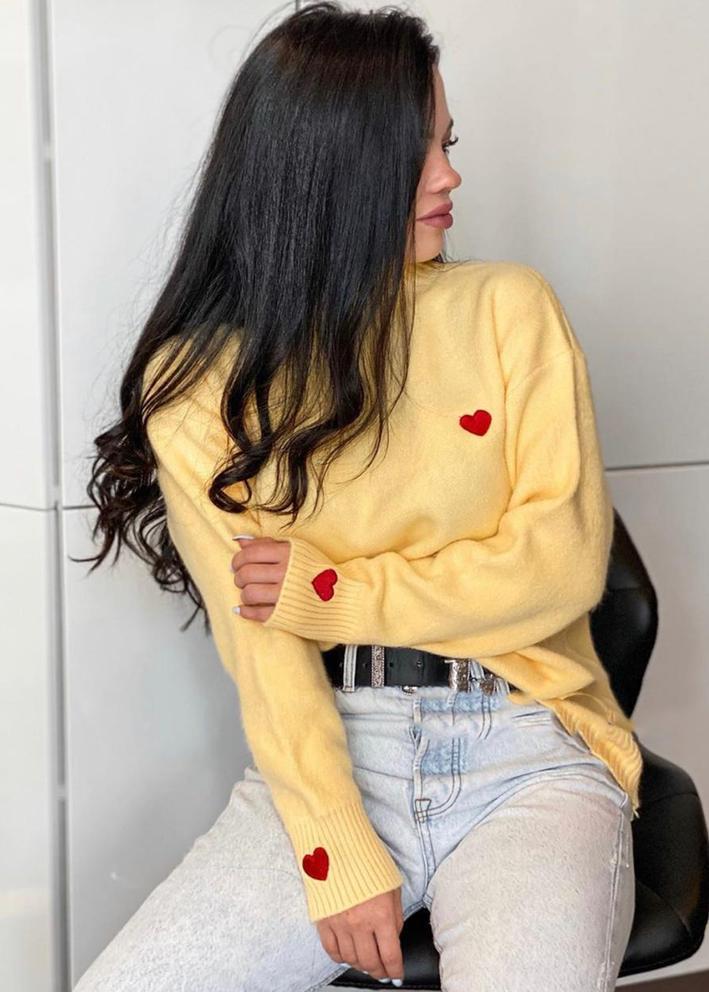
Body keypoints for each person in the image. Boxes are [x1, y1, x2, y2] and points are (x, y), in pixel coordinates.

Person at [74, 3, 641, 990]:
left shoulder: (509, 309)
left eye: (447, 145)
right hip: (335, 755)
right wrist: (334, 850)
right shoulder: (198, 385)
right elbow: (265, 650)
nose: (449, 177)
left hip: (529, 745)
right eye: (415, 152)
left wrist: (331, 592)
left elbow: (556, 569)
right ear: (328, 166)